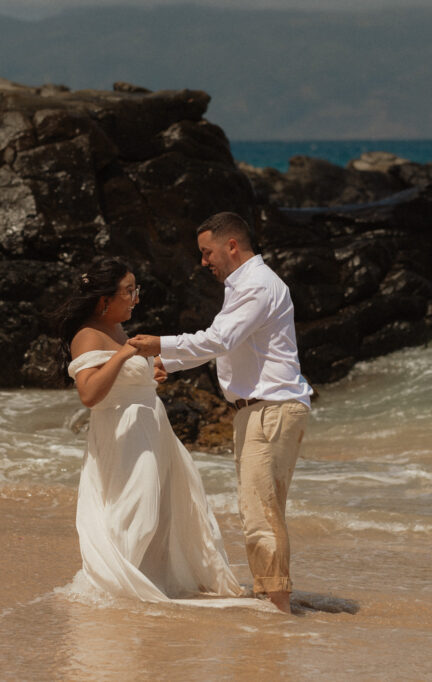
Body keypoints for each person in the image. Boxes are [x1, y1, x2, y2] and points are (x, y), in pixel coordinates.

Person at [129, 212, 312, 614]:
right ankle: (274, 598)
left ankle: (278, 608)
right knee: (261, 508)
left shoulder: (257, 285)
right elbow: (229, 345)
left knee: (260, 511)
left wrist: (157, 345)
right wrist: (171, 363)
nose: (203, 261)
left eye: (207, 252)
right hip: (262, 409)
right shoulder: (245, 285)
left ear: (232, 245)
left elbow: (219, 338)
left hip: (271, 408)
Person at [53, 257, 245, 604]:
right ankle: (115, 587)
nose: (135, 298)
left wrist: (148, 370)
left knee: (172, 506)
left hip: (152, 428)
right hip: (125, 434)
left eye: (135, 290)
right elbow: (90, 394)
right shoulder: (88, 335)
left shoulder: (116, 329)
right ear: (103, 300)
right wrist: (126, 354)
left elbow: (123, 378)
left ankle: (156, 580)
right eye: (129, 291)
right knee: (136, 511)